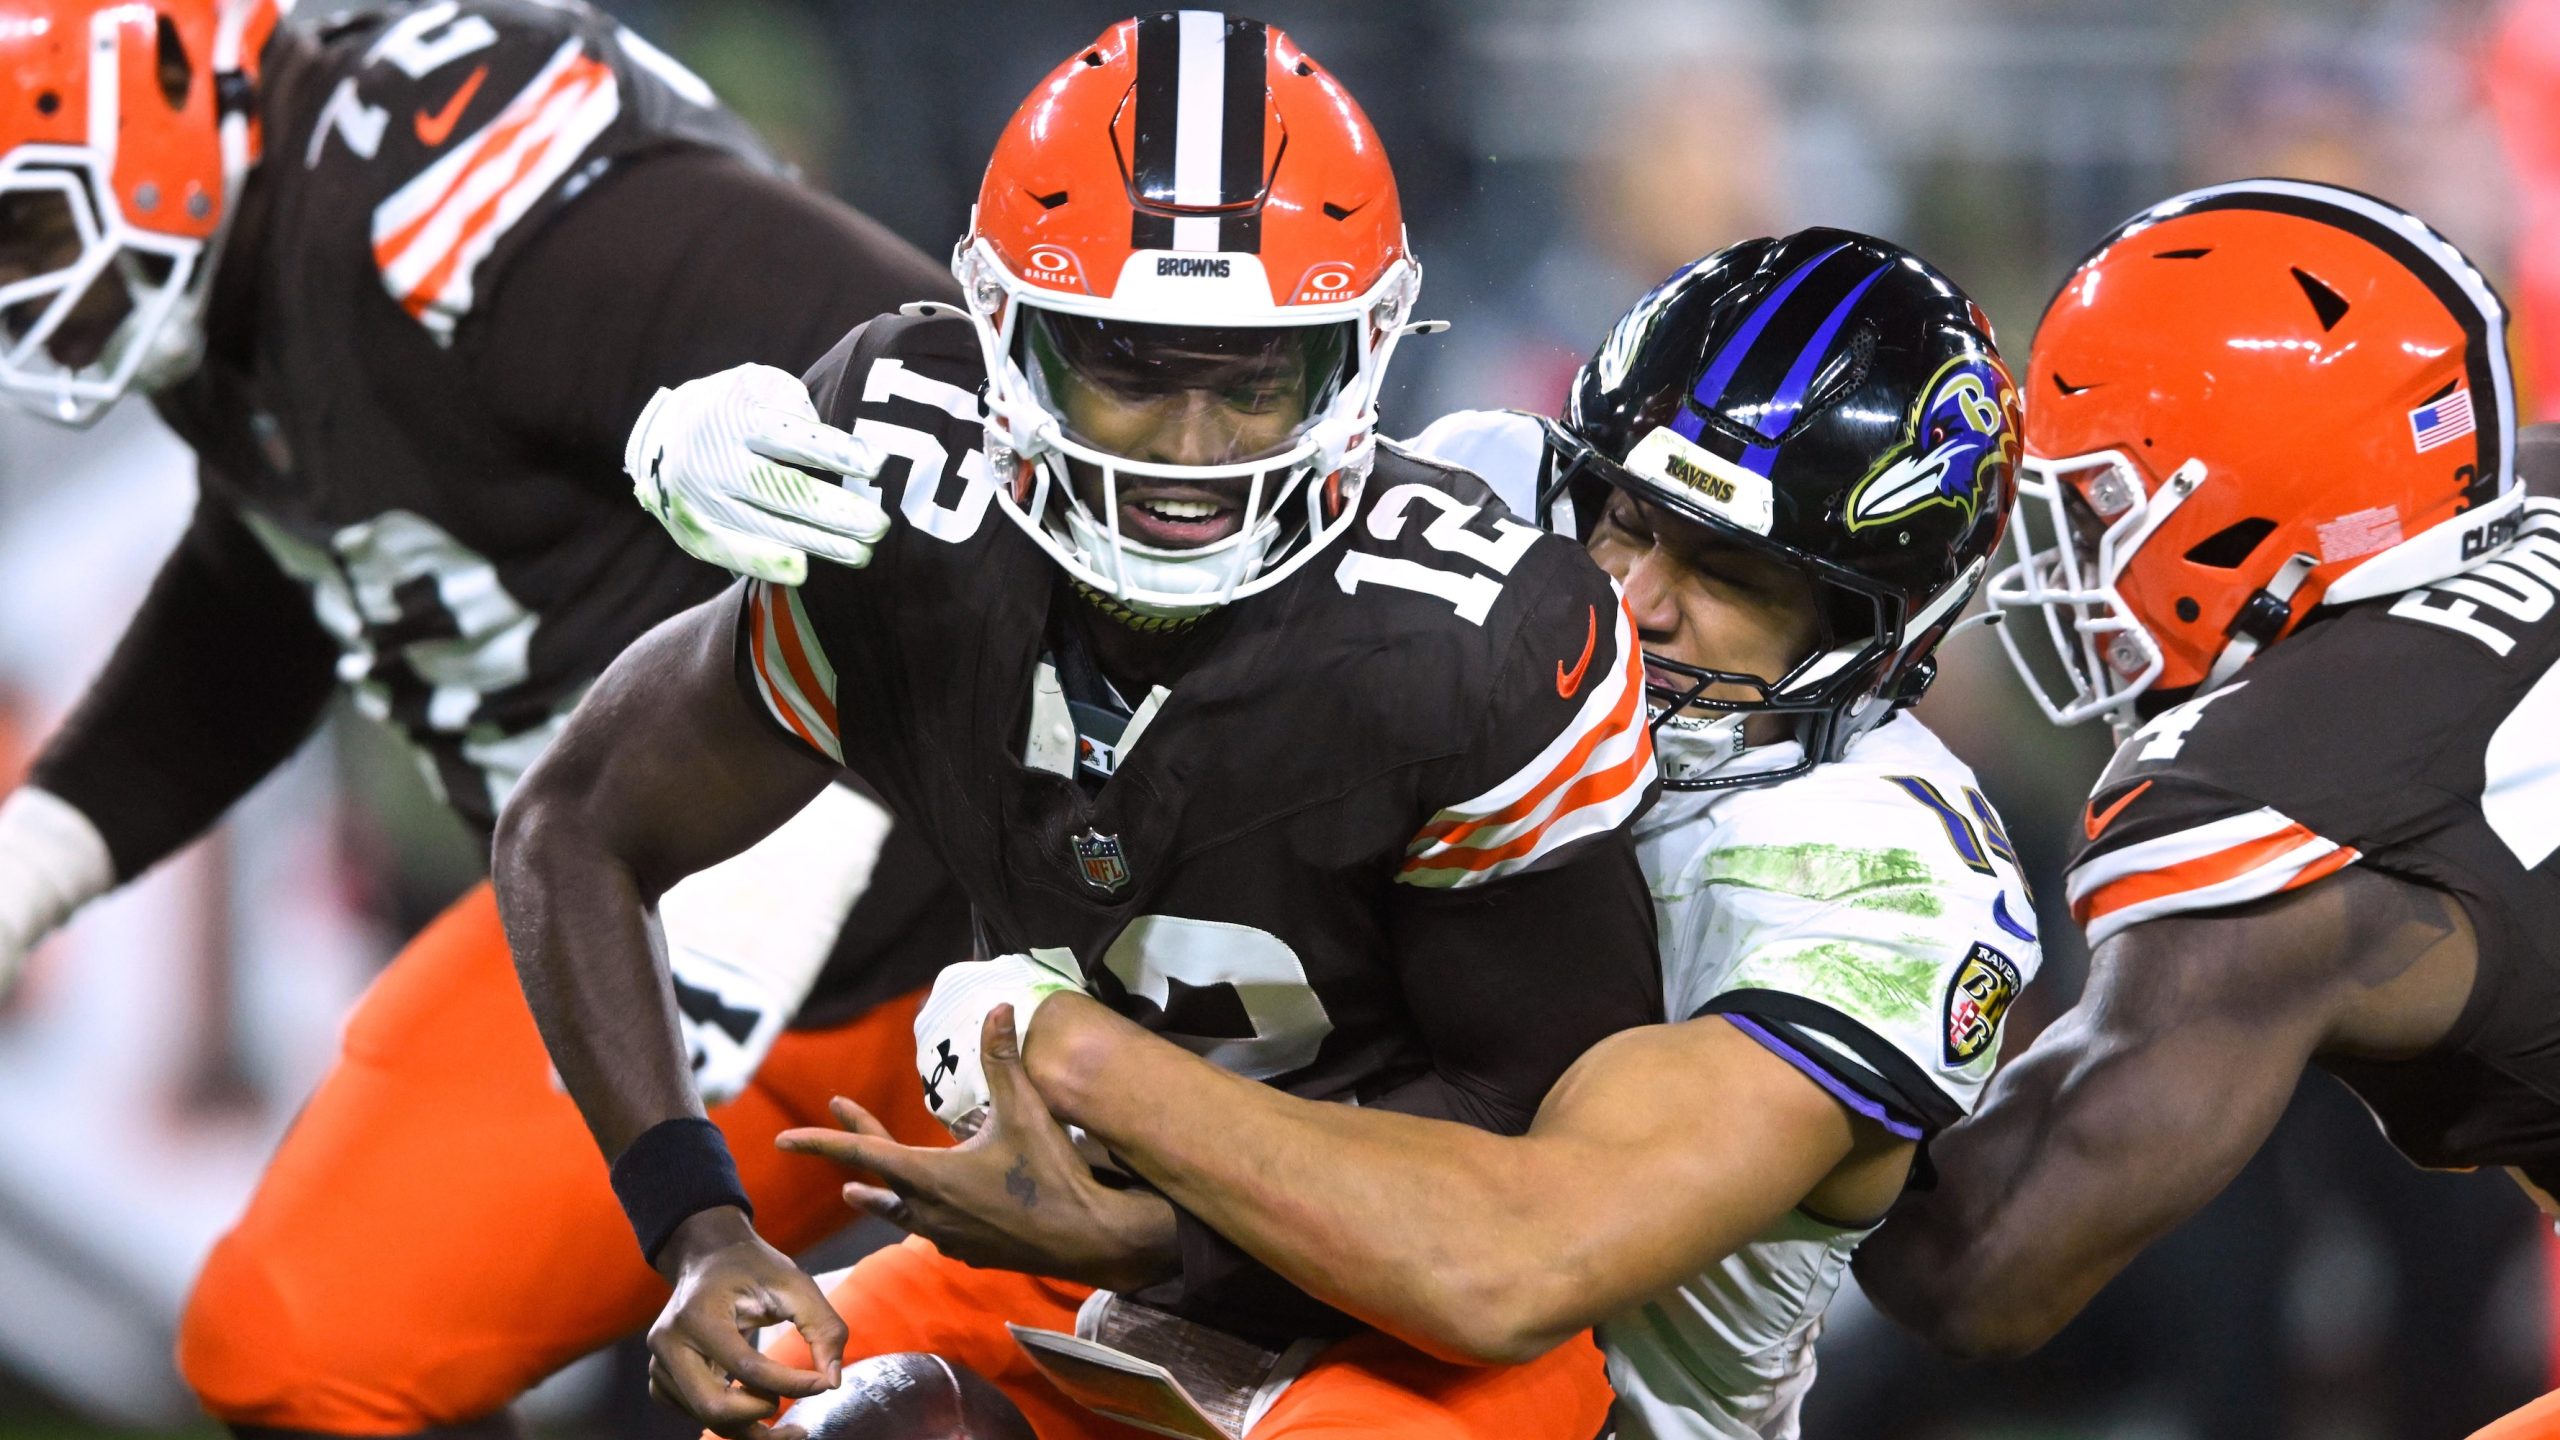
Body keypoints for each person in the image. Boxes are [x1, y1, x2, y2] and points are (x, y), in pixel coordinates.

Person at [495, 11, 1664, 1440]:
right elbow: (578, 824)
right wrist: (696, 1227)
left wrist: (1144, 1235)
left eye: (1253, 379)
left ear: (1356, 355)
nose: (1188, 449)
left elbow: (1533, 1177)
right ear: (1003, 334)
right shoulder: (910, 499)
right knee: (812, 1422)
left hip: (1415, 1317)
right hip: (1068, 1275)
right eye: (1128, 363)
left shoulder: (1469, 643)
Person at [764, 229, 2045, 1440]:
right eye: (1626, 523)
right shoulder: (1484, 506)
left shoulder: (1880, 882)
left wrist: (1093, 1077)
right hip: (1211, 1286)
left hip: (1518, 1386)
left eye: (1733, 579)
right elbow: (1126, 514)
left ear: (1889, 632)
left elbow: (1511, 1263)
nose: (1634, 601)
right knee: (801, 1383)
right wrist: (807, 450)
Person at [0, 2, 972, 1435]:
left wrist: (807, 770)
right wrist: (34, 863)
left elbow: (947, 390)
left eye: (20, 233)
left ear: (156, 122)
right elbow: (278, 578)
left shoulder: (452, 213)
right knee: (297, 1345)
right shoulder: (249, 259)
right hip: (621, 916)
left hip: (936, 908)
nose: (16, 293)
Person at [1838, 180, 2560, 1424]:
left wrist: (1761, 1070)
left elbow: (1985, 1271)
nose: (2061, 562)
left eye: (2093, 504)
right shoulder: (2534, 480)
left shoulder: (2279, 776)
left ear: (2255, 502)